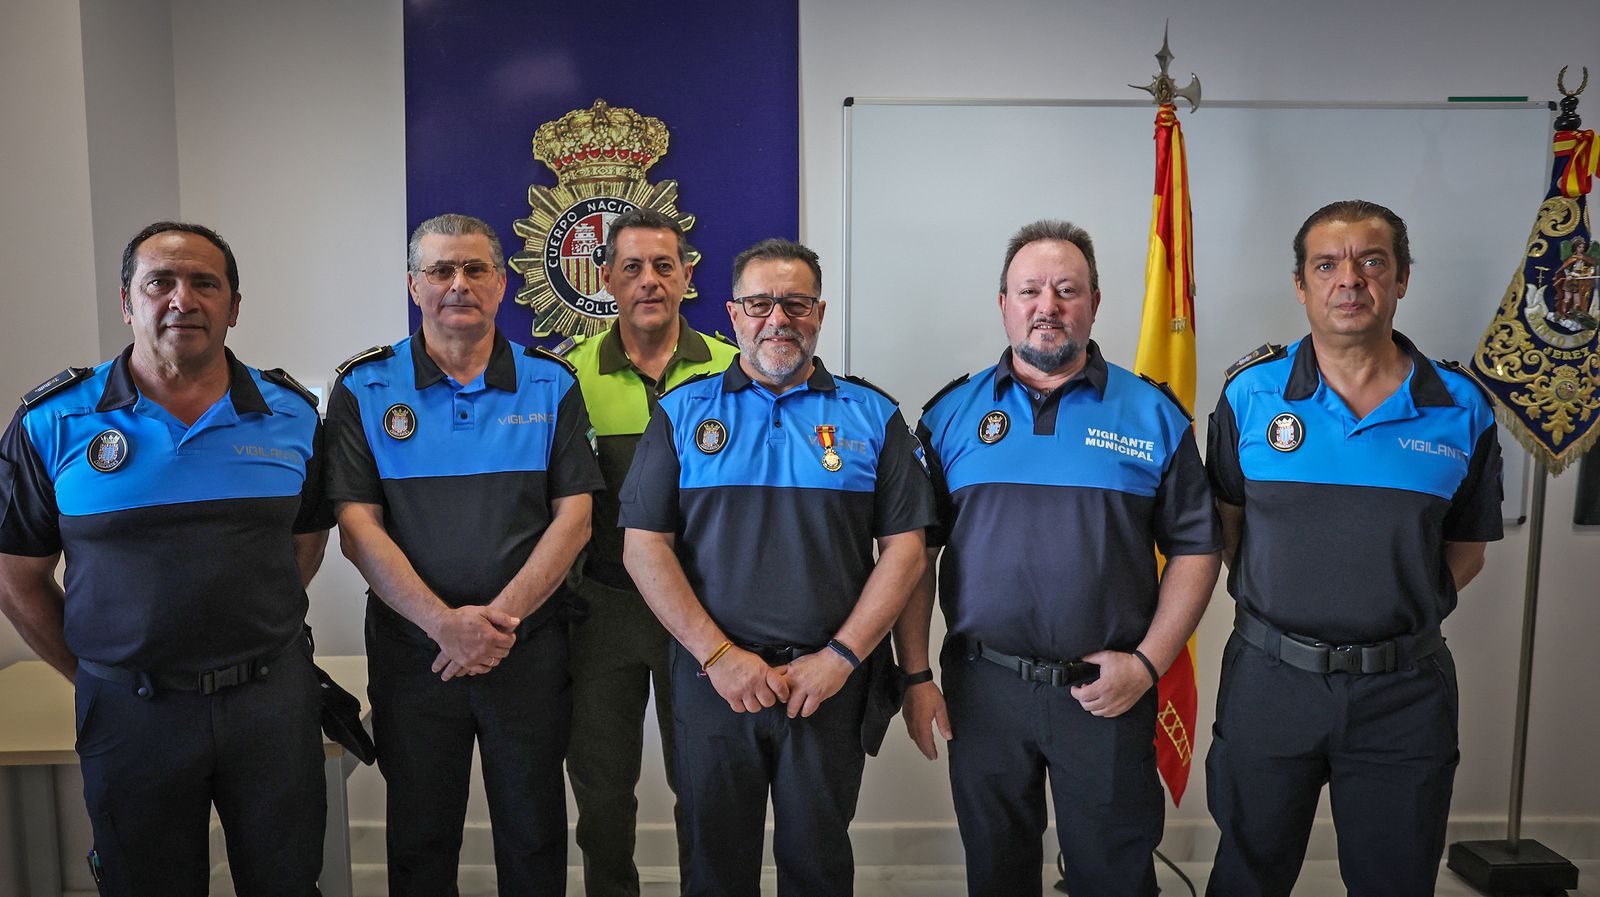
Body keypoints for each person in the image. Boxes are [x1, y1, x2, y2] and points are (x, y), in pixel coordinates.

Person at [0, 222, 333, 896]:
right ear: (128, 302)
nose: (184, 299)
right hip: (130, 712)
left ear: (233, 306)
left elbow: (304, 543)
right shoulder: (52, 421)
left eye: (206, 283)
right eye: (160, 282)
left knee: (288, 881)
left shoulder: (293, 415)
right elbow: (16, 577)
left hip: (270, 703)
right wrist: (100, 675)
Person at [895, 219, 1223, 897]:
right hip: (984, 688)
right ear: (1004, 304)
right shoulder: (949, 416)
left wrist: (1147, 664)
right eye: (1030, 290)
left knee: (1114, 877)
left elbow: (1197, 549)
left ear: (1095, 302)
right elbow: (914, 557)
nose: (1047, 306)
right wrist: (916, 674)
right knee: (996, 873)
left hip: (1107, 691)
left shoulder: (1154, 414)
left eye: (1067, 290)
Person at [1204, 200, 1504, 897]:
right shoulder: (1250, 394)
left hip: (1403, 692)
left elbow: (1467, 547)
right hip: (1270, 681)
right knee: (1248, 874)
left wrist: (1388, 608)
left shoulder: (1461, 406)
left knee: (1395, 880)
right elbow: (1226, 522)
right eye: (1326, 265)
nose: (1350, 280)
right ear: (1300, 284)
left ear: (1402, 278)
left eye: (1372, 262)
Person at [619, 238, 934, 897]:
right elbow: (643, 546)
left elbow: (906, 550)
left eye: (795, 303)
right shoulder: (681, 412)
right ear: (734, 313)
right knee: (714, 868)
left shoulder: (874, 415)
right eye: (760, 304)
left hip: (825, 684)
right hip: (713, 681)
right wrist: (719, 656)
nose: (778, 319)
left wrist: (841, 657)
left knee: (818, 865)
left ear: (819, 312)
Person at [325, 213, 603, 896]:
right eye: (441, 270)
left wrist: (493, 625)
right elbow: (357, 528)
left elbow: (575, 520)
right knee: (420, 835)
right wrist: (443, 625)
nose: (459, 284)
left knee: (534, 831)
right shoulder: (363, 387)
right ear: (413, 285)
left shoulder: (552, 383)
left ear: (502, 284)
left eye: (475, 269)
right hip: (413, 653)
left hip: (527, 649)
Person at [558, 207, 737, 897]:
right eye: (631, 267)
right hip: (601, 613)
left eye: (665, 266)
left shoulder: (735, 367)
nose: (649, 281)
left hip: (705, 614)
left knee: (706, 784)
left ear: (688, 276)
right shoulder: (567, 376)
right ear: (606, 278)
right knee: (602, 792)